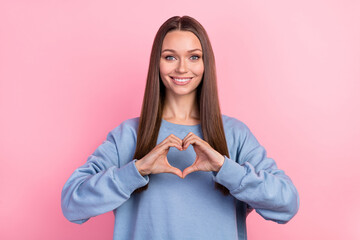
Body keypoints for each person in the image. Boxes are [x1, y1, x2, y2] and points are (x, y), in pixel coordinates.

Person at [61, 15, 299, 240]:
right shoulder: (128, 135)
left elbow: (287, 203)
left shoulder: (235, 134)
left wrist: (224, 168)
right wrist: (137, 170)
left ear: (206, 63)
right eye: (170, 57)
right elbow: (72, 203)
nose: (182, 68)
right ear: (158, 62)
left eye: (194, 56)